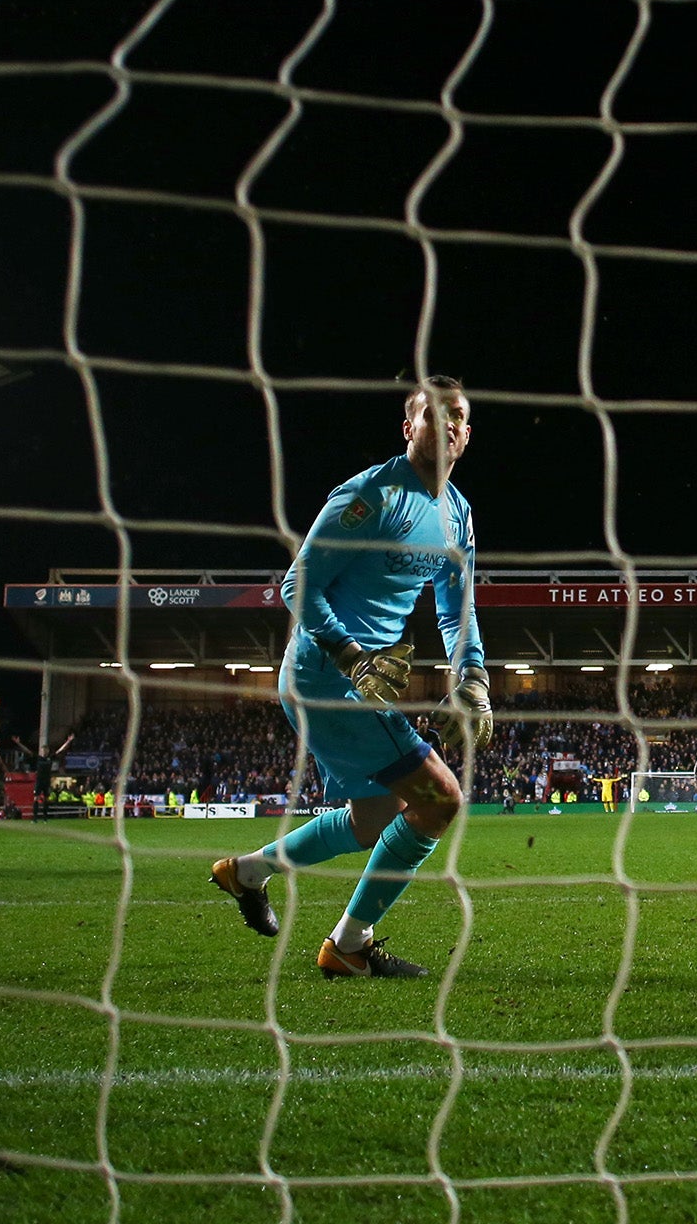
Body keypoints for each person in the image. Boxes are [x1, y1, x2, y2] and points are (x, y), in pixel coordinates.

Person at [210, 375, 491, 980]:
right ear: (407, 425)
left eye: (459, 417)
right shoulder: (369, 498)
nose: (448, 425)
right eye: (433, 414)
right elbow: (296, 584)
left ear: (467, 432)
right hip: (327, 676)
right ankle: (350, 945)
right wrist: (349, 653)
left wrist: (473, 677)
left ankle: (250, 872)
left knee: (372, 821)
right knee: (439, 799)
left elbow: (456, 606)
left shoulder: (458, 514)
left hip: (353, 683)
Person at [12, 732, 76, 821]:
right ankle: (35, 818)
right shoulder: (38, 758)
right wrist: (18, 743)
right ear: (41, 751)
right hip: (39, 780)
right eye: (43, 751)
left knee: (46, 799)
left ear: (48, 751)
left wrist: (68, 741)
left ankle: (45, 817)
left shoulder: (50, 758)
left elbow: (60, 750)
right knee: (36, 798)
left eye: (46, 751)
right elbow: (27, 751)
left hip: (46, 780)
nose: (45, 752)